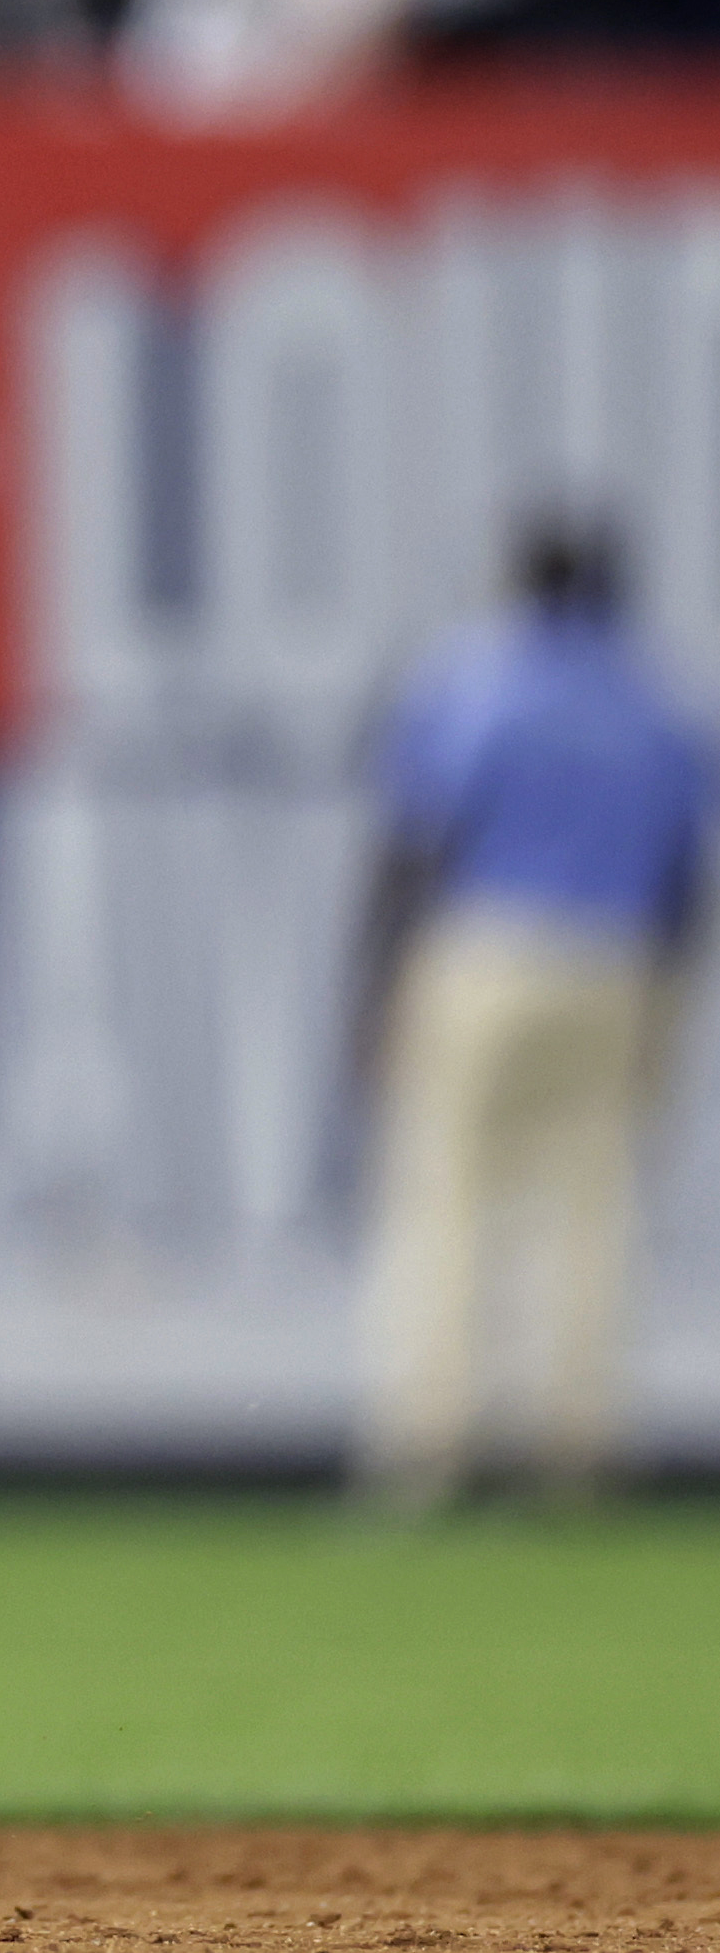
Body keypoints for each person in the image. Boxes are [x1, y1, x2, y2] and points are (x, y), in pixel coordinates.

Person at [353, 519, 706, 1509]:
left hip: (489, 949)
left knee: (449, 1200)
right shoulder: (659, 704)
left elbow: (415, 844)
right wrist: (669, 1003)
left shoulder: (475, 683)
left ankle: (434, 1443)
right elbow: (687, 874)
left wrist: (376, 991)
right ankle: (578, 1446)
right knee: (591, 1209)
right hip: (619, 961)